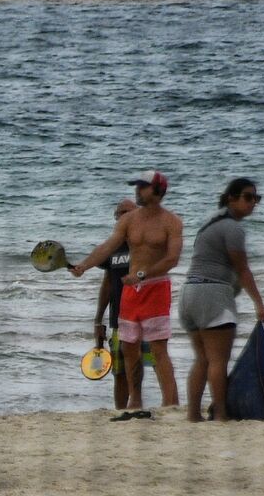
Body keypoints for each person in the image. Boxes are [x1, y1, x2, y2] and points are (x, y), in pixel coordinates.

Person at [70, 170, 183, 417]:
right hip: (131, 292)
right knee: (128, 347)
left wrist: (143, 275)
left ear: (157, 190)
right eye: (137, 186)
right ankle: (136, 401)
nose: (137, 190)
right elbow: (107, 247)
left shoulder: (171, 221)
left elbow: (172, 259)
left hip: (155, 288)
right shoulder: (128, 221)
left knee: (158, 348)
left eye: (142, 186)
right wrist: (84, 265)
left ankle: (170, 403)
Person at [178, 179, 264, 422]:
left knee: (202, 359)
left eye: (256, 198)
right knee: (218, 360)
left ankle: (193, 414)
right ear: (231, 198)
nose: (253, 203)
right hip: (211, 294)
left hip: (189, 293)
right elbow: (243, 269)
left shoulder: (210, 222)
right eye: (248, 197)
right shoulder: (232, 228)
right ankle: (221, 412)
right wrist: (259, 304)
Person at [93, 198, 146, 411]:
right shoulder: (112, 247)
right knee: (119, 371)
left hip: (145, 318)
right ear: (116, 218)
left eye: (130, 212)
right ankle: (121, 411)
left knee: (147, 365)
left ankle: (144, 406)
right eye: (121, 213)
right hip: (118, 318)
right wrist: (98, 319)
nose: (125, 216)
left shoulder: (145, 244)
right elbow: (107, 283)